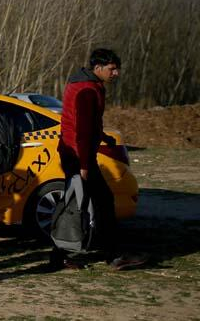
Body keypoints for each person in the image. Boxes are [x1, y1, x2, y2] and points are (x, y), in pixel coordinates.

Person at [50, 48, 146, 271]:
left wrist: (102, 137)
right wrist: (84, 165)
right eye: (112, 69)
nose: (116, 74)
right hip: (77, 155)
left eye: (116, 69)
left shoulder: (83, 85)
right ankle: (112, 255)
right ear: (98, 68)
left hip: (71, 152)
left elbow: (83, 122)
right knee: (98, 203)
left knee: (74, 203)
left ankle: (60, 256)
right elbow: (82, 130)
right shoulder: (87, 90)